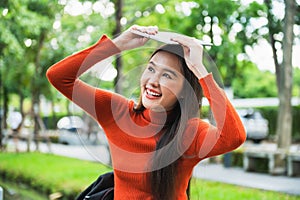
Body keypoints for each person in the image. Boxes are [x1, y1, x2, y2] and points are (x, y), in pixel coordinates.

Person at [47, 25, 246, 200]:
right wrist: (117, 45)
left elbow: (234, 136)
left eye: (167, 75)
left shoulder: (190, 133)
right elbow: (59, 76)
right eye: (150, 69)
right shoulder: (118, 113)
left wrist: (199, 69)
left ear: (184, 92)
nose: (153, 81)